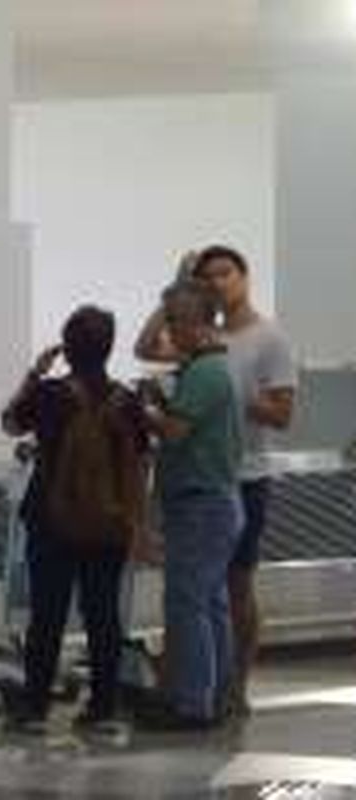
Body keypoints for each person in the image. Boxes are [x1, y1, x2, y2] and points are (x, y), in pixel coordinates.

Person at [135, 246, 296, 715]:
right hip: (213, 474)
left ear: (245, 276)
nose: (218, 282)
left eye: (225, 273)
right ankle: (210, 688)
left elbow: (283, 413)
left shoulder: (264, 340)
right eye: (207, 277)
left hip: (239, 475)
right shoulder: (208, 341)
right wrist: (177, 288)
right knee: (208, 595)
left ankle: (225, 690)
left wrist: (219, 401)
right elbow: (146, 346)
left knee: (227, 589)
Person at [0, 306, 149, 734]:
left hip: (52, 518)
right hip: (110, 522)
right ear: (109, 347)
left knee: (47, 613)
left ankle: (35, 708)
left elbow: (10, 423)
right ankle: (102, 707)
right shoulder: (127, 400)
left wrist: (35, 373)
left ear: (67, 346)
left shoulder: (49, 393)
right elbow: (139, 458)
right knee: (103, 614)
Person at [139, 281, 243, 729]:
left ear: (197, 323)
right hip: (213, 501)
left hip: (201, 504)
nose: (169, 335)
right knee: (210, 602)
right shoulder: (210, 367)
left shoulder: (206, 372)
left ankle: (192, 704)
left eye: (174, 323)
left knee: (187, 603)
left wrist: (145, 411)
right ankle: (215, 694)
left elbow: (177, 433)